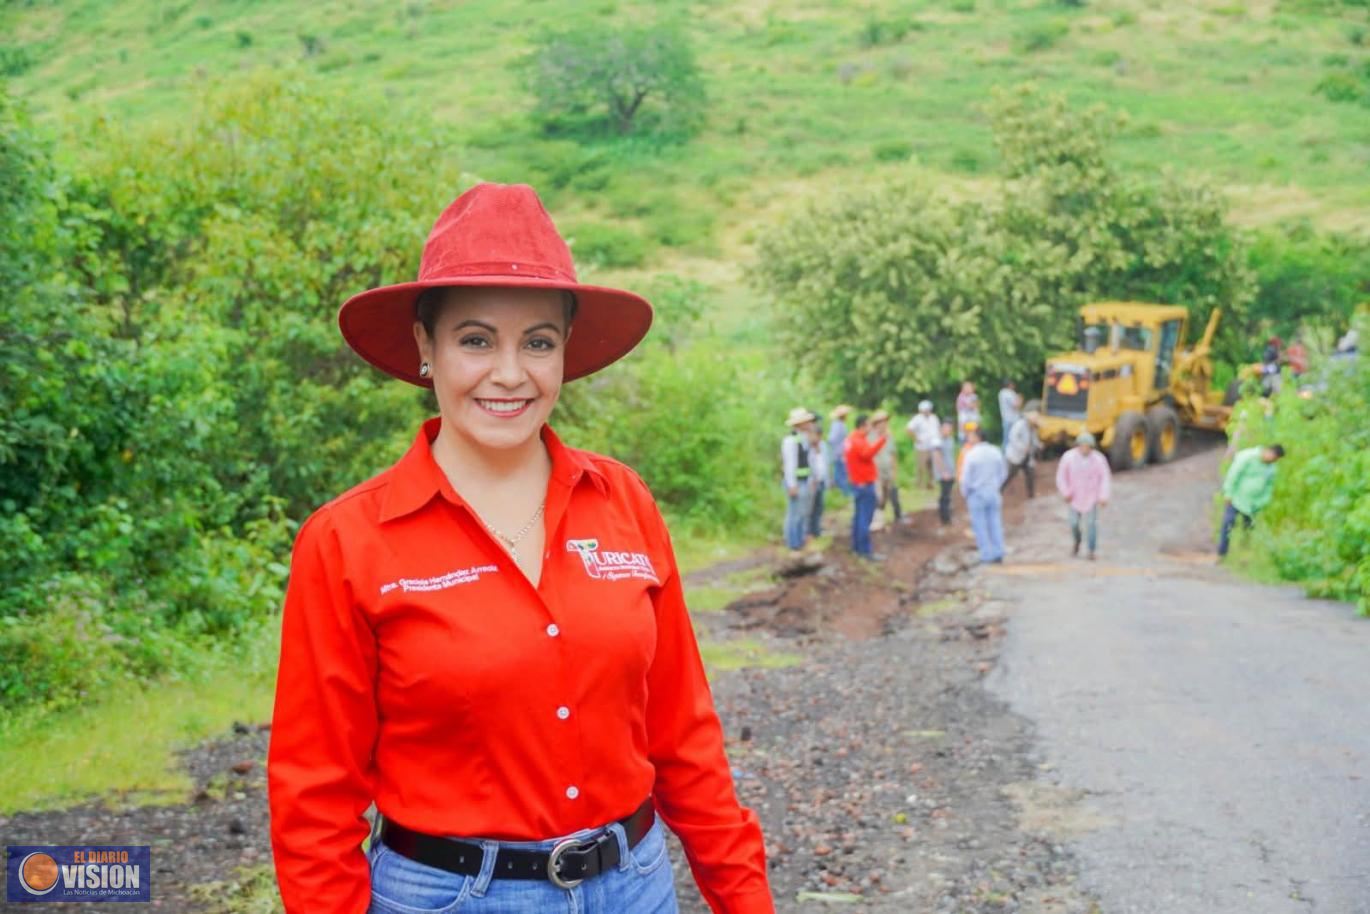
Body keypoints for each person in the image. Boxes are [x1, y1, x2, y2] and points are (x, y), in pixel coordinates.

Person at [268, 183, 774, 914]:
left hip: (634, 890)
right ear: (425, 346)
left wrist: (745, 901)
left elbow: (685, 736)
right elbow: (314, 797)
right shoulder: (348, 541)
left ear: (564, 349)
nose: (510, 373)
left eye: (537, 342)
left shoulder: (624, 502)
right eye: (476, 340)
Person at [1217, 443, 1285, 558]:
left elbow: (1269, 487)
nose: (1272, 461)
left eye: (1275, 460)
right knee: (1228, 524)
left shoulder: (1271, 469)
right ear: (1268, 451)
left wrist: (1262, 502)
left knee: (1248, 529)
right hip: (1236, 498)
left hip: (1253, 504)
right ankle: (1222, 554)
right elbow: (1234, 474)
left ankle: (1243, 556)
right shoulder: (1248, 456)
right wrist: (1228, 493)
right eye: (1272, 458)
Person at [1055, 432, 1112, 560]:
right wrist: (1065, 492)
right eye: (1082, 446)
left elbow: (1105, 478)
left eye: (1087, 446)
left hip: (1091, 496)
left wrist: (1103, 496)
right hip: (1074, 496)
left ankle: (1091, 550)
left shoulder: (1098, 459)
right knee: (1073, 523)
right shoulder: (1068, 458)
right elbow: (1061, 476)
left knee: (1091, 524)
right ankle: (1077, 541)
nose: (1085, 449)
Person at [958, 423, 1007, 564]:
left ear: (978, 437)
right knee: (995, 523)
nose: (969, 438)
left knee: (980, 525)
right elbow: (1003, 473)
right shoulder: (996, 451)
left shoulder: (971, 454)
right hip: (993, 491)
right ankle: (998, 552)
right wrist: (996, 485)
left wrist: (965, 493)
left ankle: (986, 554)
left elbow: (965, 478)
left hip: (977, 493)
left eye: (971, 436)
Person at [844, 413, 886, 559]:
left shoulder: (851, 439)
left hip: (857, 483)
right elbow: (867, 454)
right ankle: (864, 551)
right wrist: (882, 440)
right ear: (863, 426)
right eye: (869, 425)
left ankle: (856, 547)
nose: (870, 428)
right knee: (864, 518)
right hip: (864, 484)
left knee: (858, 517)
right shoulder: (857, 441)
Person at [781, 407, 818, 551]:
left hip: (805, 480)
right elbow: (790, 464)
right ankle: (793, 542)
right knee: (794, 513)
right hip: (796, 482)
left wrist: (812, 479)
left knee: (802, 513)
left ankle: (799, 540)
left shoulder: (805, 439)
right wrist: (792, 484)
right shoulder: (790, 441)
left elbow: (810, 460)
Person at [871, 410, 902, 529]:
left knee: (890, 492)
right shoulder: (871, 437)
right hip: (876, 471)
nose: (883, 424)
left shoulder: (889, 437)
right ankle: (877, 518)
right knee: (879, 495)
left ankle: (895, 515)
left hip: (887, 469)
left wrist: (894, 470)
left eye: (885, 422)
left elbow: (893, 454)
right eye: (880, 422)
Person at [1002, 411, 1040, 499]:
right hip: (1016, 455)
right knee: (1010, 474)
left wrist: (1039, 445)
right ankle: (999, 490)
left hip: (1027, 456)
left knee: (1030, 474)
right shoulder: (1020, 425)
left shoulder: (1032, 428)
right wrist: (1022, 447)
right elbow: (1012, 437)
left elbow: (1034, 439)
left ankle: (1031, 495)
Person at [804, 414, 828, 540]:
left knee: (819, 507)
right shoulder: (806, 446)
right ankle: (808, 531)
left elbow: (824, 463)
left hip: (821, 481)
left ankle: (816, 530)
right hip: (811, 482)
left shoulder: (822, 446)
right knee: (809, 508)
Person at [906, 400, 940, 491]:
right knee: (921, 467)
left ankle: (931, 483)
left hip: (933, 446)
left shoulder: (934, 418)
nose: (927, 411)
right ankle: (919, 484)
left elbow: (937, 430)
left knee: (932, 466)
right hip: (922, 447)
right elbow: (909, 429)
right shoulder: (917, 419)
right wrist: (916, 439)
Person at [931, 419, 957, 528]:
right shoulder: (937, 440)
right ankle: (945, 518)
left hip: (950, 471)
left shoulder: (950, 439)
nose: (948, 430)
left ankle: (947, 516)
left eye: (950, 428)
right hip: (943, 473)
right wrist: (943, 472)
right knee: (945, 495)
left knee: (948, 494)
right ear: (941, 428)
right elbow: (937, 457)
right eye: (946, 428)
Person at [828, 405, 854, 496]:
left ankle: (843, 493)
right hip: (839, 455)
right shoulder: (837, 425)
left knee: (843, 474)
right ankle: (844, 493)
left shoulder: (841, 424)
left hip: (841, 454)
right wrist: (840, 450)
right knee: (841, 475)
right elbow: (831, 439)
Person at [998, 380, 1021, 448]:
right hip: (1011, 419)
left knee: (1007, 439)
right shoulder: (1008, 393)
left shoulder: (1001, 392)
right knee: (1009, 439)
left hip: (1007, 418)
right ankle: (1006, 455)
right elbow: (1016, 405)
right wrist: (1020, 398)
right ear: (1009, 385)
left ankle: (1005, 455)